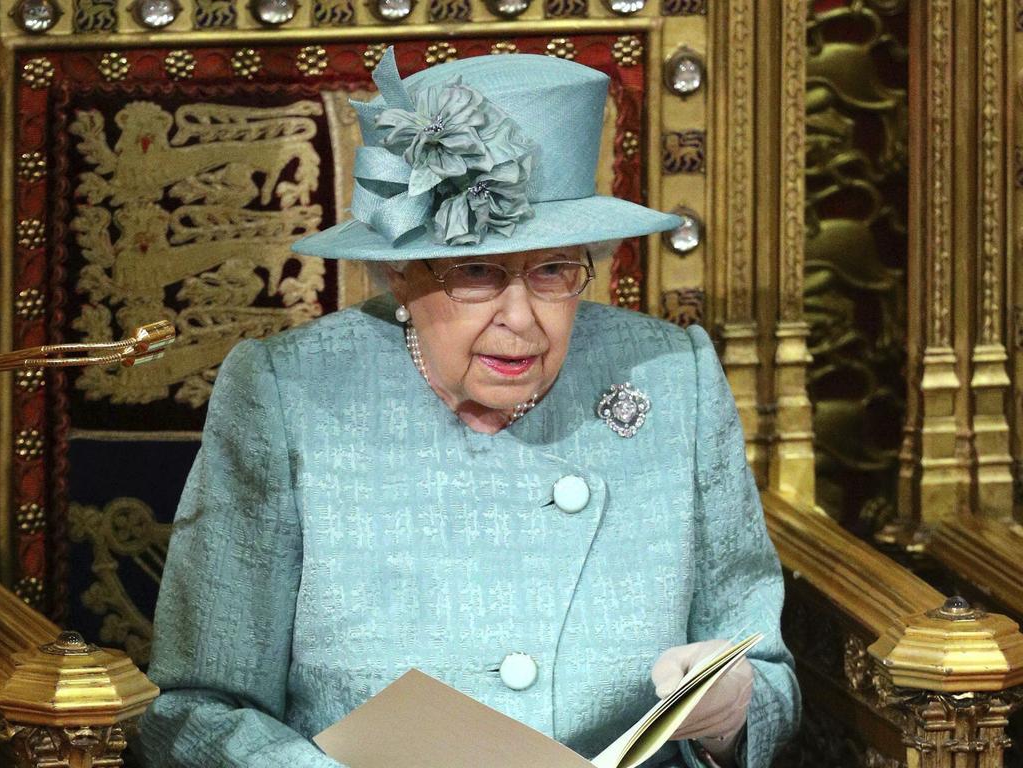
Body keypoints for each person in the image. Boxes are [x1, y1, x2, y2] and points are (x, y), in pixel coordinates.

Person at [137, 48, 799, 768]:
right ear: (400, 270)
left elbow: (767, 672)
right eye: (476, 273)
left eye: (553, 271)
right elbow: (195, 708)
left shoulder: (674, 378)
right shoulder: (288, 394)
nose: (522, 319)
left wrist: (735, 706)